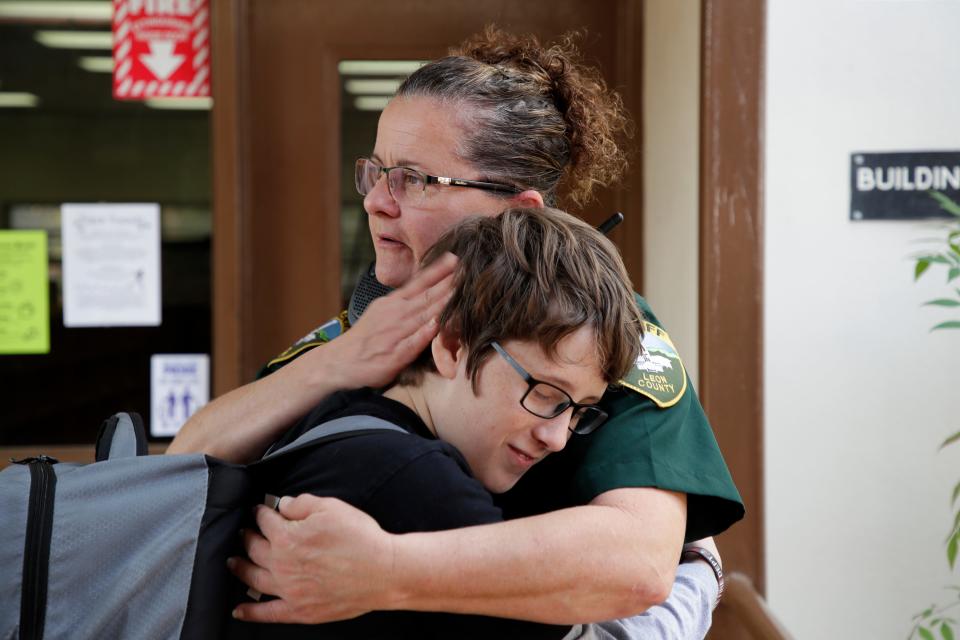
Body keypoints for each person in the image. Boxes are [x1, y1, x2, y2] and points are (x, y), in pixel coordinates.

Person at [169, 26, 743, 627]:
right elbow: (182, 470)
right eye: (377, 172)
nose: (376, 201)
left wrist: (386, 570)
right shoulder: (358, 330)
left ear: (516, 213)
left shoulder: (593, 334)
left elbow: (635, 566)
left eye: (414, 179)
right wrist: (339, 361)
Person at [229, 207, 720, 639]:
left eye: (578, 411)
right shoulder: (417, 482)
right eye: (545, 394)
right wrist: (699, 572)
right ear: (452, 345)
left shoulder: (326, 421)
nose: (555, 436)